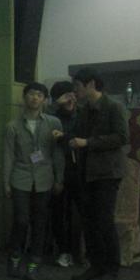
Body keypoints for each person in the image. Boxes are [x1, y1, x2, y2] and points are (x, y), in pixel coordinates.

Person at [69, 68, 129, 280]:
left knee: (104, 221)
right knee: (89, 222)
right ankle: (96, 266)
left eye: (77, 86)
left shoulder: (114, 106)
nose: (75, 91)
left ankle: (111, 270)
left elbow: (121, 137)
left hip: (107, 173)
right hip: (86, 173)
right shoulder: (84, 110)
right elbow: (77, 135)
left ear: (91, 84)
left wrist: (88, 143)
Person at [3, 82, 65, 280]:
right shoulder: (12, 126)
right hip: (20, 177)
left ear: (44, 99)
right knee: (21, 220)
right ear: (24, 97)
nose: (35, 98)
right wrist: (6, 182)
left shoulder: (54, 123)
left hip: (44, 177)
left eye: (39, 95)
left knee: (40, 222)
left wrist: (59, 178)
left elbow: (58, 153)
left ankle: (34, 262)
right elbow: (8, 155)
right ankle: (14, 256)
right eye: (31, 94)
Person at [47, 80, 82, 267]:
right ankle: (64, 251)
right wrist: (56, 104)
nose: (70, 99)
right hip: (57, 171)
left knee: (79, 215)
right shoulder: (51, 117)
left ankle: (79, 253)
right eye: (65, 96)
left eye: (72, 94)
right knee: (58, 214)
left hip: (81, 171)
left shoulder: (83, 113)